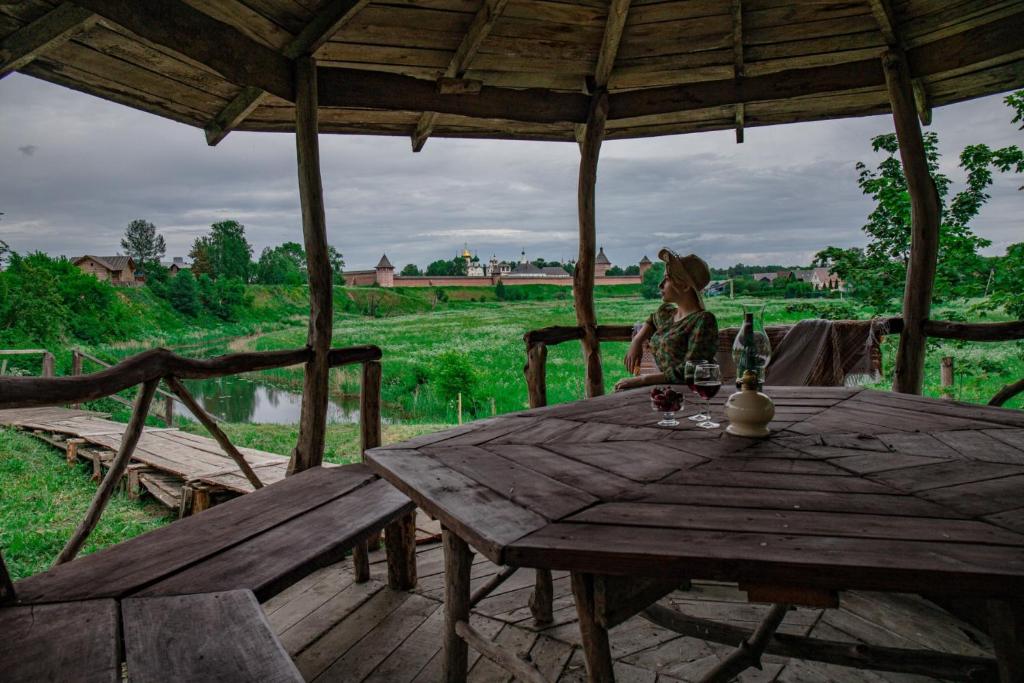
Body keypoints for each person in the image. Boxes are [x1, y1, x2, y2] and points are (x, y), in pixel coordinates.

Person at [614, 249, 719, 391]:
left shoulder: (703, 321)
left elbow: (691, 370)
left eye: (667, 279)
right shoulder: (667, 313)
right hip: (669, 393)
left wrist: (643, 379)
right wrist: (637, 341)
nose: (660, 285)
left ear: (685, 285)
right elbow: (652, 320)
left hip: (696, 393)